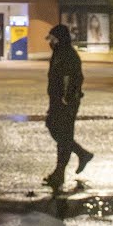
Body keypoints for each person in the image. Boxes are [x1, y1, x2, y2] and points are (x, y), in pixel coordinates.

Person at [42, 24, 93, 190]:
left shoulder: (68, 55)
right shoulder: (58, 53)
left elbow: (71, 79)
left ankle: (60, 173)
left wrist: (67, 97)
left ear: (60, 39)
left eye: (53, 39)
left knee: (63, 135)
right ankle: (81, 154)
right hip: (57, 100)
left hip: (66, 102)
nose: (51, 42)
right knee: (55, 128)